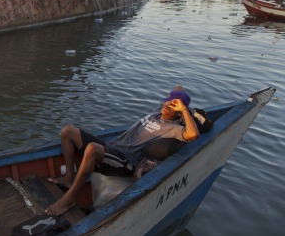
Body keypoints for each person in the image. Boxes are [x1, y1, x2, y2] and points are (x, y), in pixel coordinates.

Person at [45, 86, 199, 216]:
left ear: (179, 112)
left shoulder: (174, 128)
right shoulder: (158, 110)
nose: (166, 106)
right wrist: (175, 99)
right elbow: (178, 87)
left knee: (92, 148)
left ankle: (69, 199)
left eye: (172, 106)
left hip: (127, 160)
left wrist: (184, 110)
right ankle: (69, 178)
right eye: (167, 102)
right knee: (67, 131)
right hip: (113, 146)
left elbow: (193, 134)